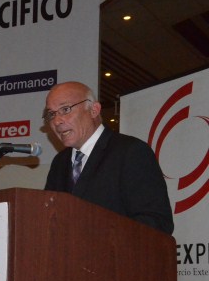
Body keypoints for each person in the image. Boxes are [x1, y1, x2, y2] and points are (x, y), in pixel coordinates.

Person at [43, 81, 174, 234]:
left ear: (94, 110)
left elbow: (157, 222)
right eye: (51, 114)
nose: (57, 121)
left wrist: (102, 236)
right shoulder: (59, 162)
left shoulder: (130, 151)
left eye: (65, 109)